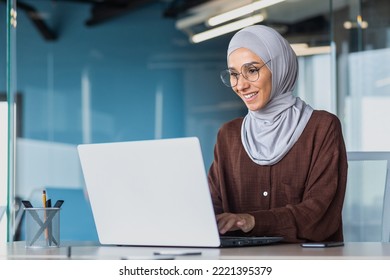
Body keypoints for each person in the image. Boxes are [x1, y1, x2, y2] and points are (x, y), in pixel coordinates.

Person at [207, 25, 348, 243]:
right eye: (234, 74)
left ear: (280, 67)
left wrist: (252, 221)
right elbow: (211, 208)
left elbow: (319, 215)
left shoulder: (321, 127)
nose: (241, 85)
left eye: (252, 70)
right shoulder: (229, 135)